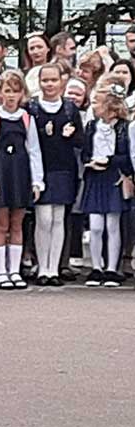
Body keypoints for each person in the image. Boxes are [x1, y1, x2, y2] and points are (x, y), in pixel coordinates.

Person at [0, 71, 42, 290]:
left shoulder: (26, 118)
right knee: (1, 223)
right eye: (7, 91)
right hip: (2, 174)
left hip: (21, 174)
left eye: (16, 91)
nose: (11, 96)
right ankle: (1, 271)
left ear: (22, 93)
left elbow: (33, 150)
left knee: (17, 223)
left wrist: (37, 181)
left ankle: (15, 270)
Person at [28, 63, 81, 286]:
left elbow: (81, 141)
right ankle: (42, 266)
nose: (49, 84)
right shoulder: (32, 108)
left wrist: (72, 134)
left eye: (53, 80)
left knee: (59, 218)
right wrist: (43, 133)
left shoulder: (70, 109)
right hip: (41, 169)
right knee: (43, 219)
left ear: (62, 81)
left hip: (64, 169)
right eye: (45, 80)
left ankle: (53, 269)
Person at [77, 89, 128, 287]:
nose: (94, 107)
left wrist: (109, 160)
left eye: (97, 103)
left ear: (110, 108)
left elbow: (127, 156)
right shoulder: (91, 126)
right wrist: (90, 161)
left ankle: (111, 269)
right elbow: (85, 152)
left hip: (113, 177)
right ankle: (96, 267)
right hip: (95, 177)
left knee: (112, 225)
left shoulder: (124, 128)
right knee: (96, 225)